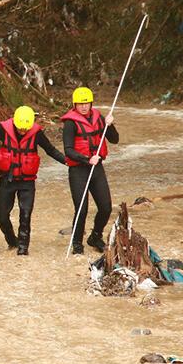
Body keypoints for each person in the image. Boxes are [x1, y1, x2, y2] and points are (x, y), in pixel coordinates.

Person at [0, 105, 66, 255]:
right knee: (2, 217)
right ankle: (12, 241)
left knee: (25, 215)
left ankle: (23, 249)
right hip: (7, 180)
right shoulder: (4, 130)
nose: (22, 131)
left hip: (27, 182)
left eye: (25, 129)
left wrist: (68, 161)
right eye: (20, 129)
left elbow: (51, 150)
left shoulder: (37, 134)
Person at [61, 87, 119, 255]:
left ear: (91, 104)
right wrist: (87, 159)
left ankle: (95, 236)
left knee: (106, 207)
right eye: (80, 104)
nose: (84, 107)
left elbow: (114, 140)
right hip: (78, 169)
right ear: (75, 105)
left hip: (96, 168)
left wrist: (110, 125)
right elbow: (68, 150)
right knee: (82, 208)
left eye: (86, 104)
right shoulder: (70, 123)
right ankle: (77, 242)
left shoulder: (98, 118)